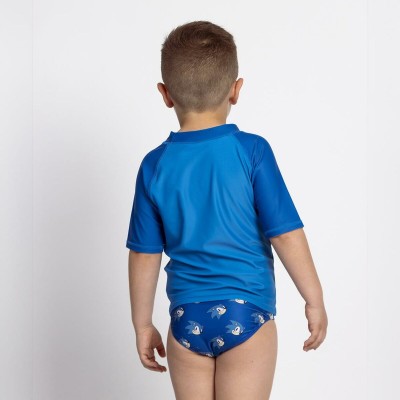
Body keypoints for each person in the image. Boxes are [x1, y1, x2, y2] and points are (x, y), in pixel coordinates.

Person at [126, 20, 328, 400]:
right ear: (236, 90)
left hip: (185, 320)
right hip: (246, 312)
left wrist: (142, 325)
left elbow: (144, 254)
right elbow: (284, 233)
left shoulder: (154, 165)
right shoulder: (252, 151)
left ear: (165, 94)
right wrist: (313, 298)